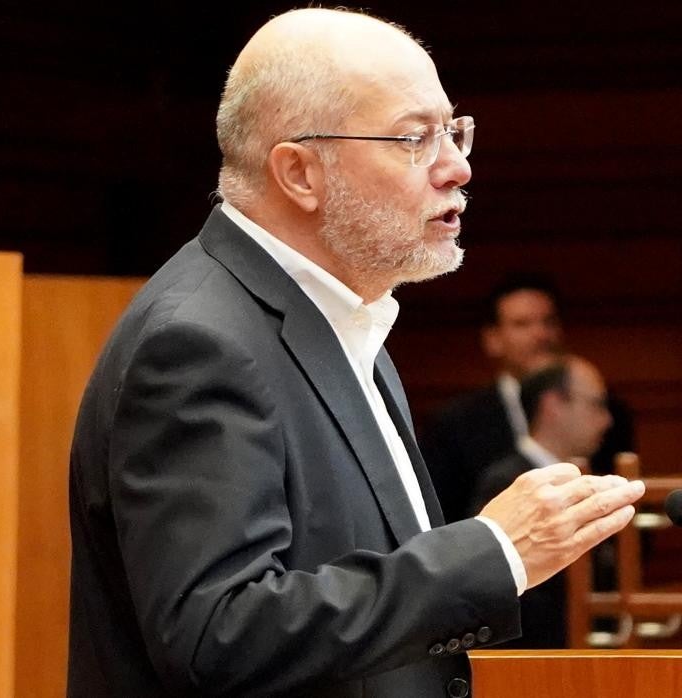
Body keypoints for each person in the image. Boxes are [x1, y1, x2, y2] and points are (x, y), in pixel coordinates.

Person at [66, 9, 644, 697]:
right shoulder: (199, 343)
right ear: (300, 173)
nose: (456, 167)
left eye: (454, 132)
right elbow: (217, 635)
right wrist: (492, 553)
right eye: (413, 138)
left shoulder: (345, 316)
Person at [423, 274, 635, 522]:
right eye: (522, 324)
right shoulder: (455, 423)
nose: (540, 335)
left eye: (549, 322)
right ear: (493, 339)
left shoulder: (609, 412)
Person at [466, 356, 615, 648]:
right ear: (553, 405)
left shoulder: (588, 476)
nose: (606, 419)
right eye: (596, 404)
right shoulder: (506, 482)